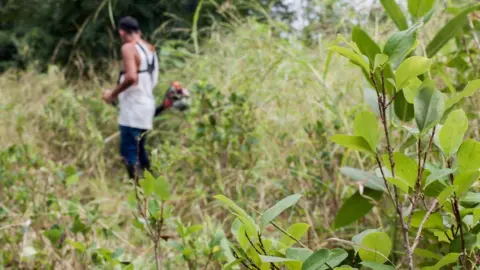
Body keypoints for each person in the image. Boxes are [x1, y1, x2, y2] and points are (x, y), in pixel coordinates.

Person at [102, 16, 159, 180]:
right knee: (140, 151)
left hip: (133, 110)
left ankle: (139, 193)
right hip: (147, 105)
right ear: (138, 31)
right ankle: (152, 187)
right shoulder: (150, 48)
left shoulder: (128, 48)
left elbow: (132, 77)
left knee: (129, 154)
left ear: (121, 32)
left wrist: (112, 94)